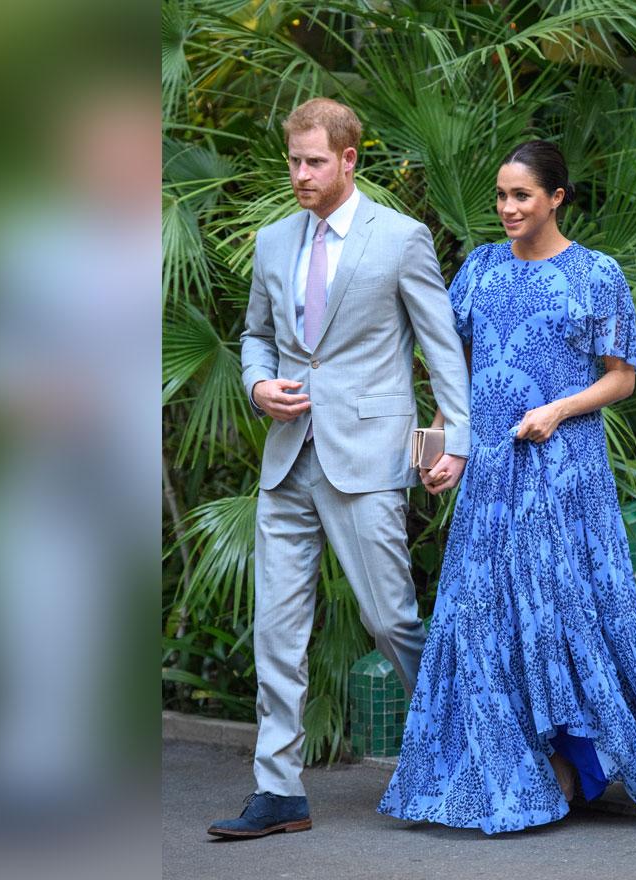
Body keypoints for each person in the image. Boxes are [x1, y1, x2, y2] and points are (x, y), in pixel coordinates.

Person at [378, 140, 636, 834]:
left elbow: (622, 377)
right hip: (492, 476)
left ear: (556, 198)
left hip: (563, 471)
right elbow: (458, 373)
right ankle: (512, 764)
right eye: (500, 196)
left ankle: (580, 763)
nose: (506, 209)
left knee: (564, 613)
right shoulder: (478, 271)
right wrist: (444, 448)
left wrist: (558, 409)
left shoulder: (596, 274)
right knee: (482, 614)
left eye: (521, 196)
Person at [208, 98, 471, 839]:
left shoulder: (402, 238)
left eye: (314, 161)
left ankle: (456, 747)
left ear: (350, 159)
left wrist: (449, 444)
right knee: (277, 632)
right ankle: (279, 790)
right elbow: (255, 337)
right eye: (293, 160)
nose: (300, 173)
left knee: (390, 619)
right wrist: (258, 383)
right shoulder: (271, 242)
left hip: (368, 458)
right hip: (287, 461)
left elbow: (440, 351)